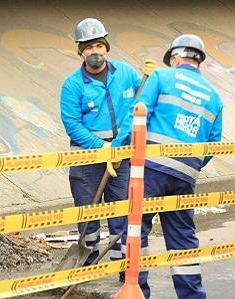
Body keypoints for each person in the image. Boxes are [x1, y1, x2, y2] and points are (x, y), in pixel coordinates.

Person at [130, 34, 223, 299]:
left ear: (175, 57)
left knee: (136, 230)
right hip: (185, 175)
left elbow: (138, 115)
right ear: (198, 61)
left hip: (151, 169)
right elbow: (214, 143)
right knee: (182, 236)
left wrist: (122, 151)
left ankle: (137, 297)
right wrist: (191, 164)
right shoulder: (214, 97)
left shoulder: (161, 77)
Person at [60, 18, 142, 269]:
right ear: (80, 51)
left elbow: (141, 105)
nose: (94, 51)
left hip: (121, 155)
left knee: (120, 210)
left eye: (98, 45)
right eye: (88, 47)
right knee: (88, 212)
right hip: (87, 159)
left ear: (106, 47)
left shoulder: (126, 73)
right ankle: (88, 261)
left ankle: (121, 265)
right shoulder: (73, 85)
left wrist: (118, 147)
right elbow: (72, 123)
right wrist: (101, 148)